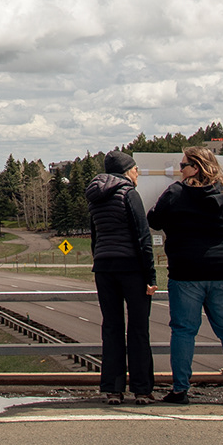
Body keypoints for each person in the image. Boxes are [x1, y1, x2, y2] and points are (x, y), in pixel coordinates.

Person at [147, 145, 223, 406]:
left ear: (196, 167)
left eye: (183, 165)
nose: (179, 170)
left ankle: (180, 390)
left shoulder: (176, 193)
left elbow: (153, 220)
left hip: (187, 270)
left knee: (184, 331)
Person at [86, 149, 155, 404]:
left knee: (112, 328)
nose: (138, 174)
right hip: (131, 268)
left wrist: (99, 259)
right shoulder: (129, 194)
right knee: (138, 329)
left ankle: (113, 388)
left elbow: (95, 236)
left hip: (104, 268)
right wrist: (151, 275)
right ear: (127, 171)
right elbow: (142, 237)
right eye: (136, 170)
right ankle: (142, 388)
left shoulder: (95, 196)